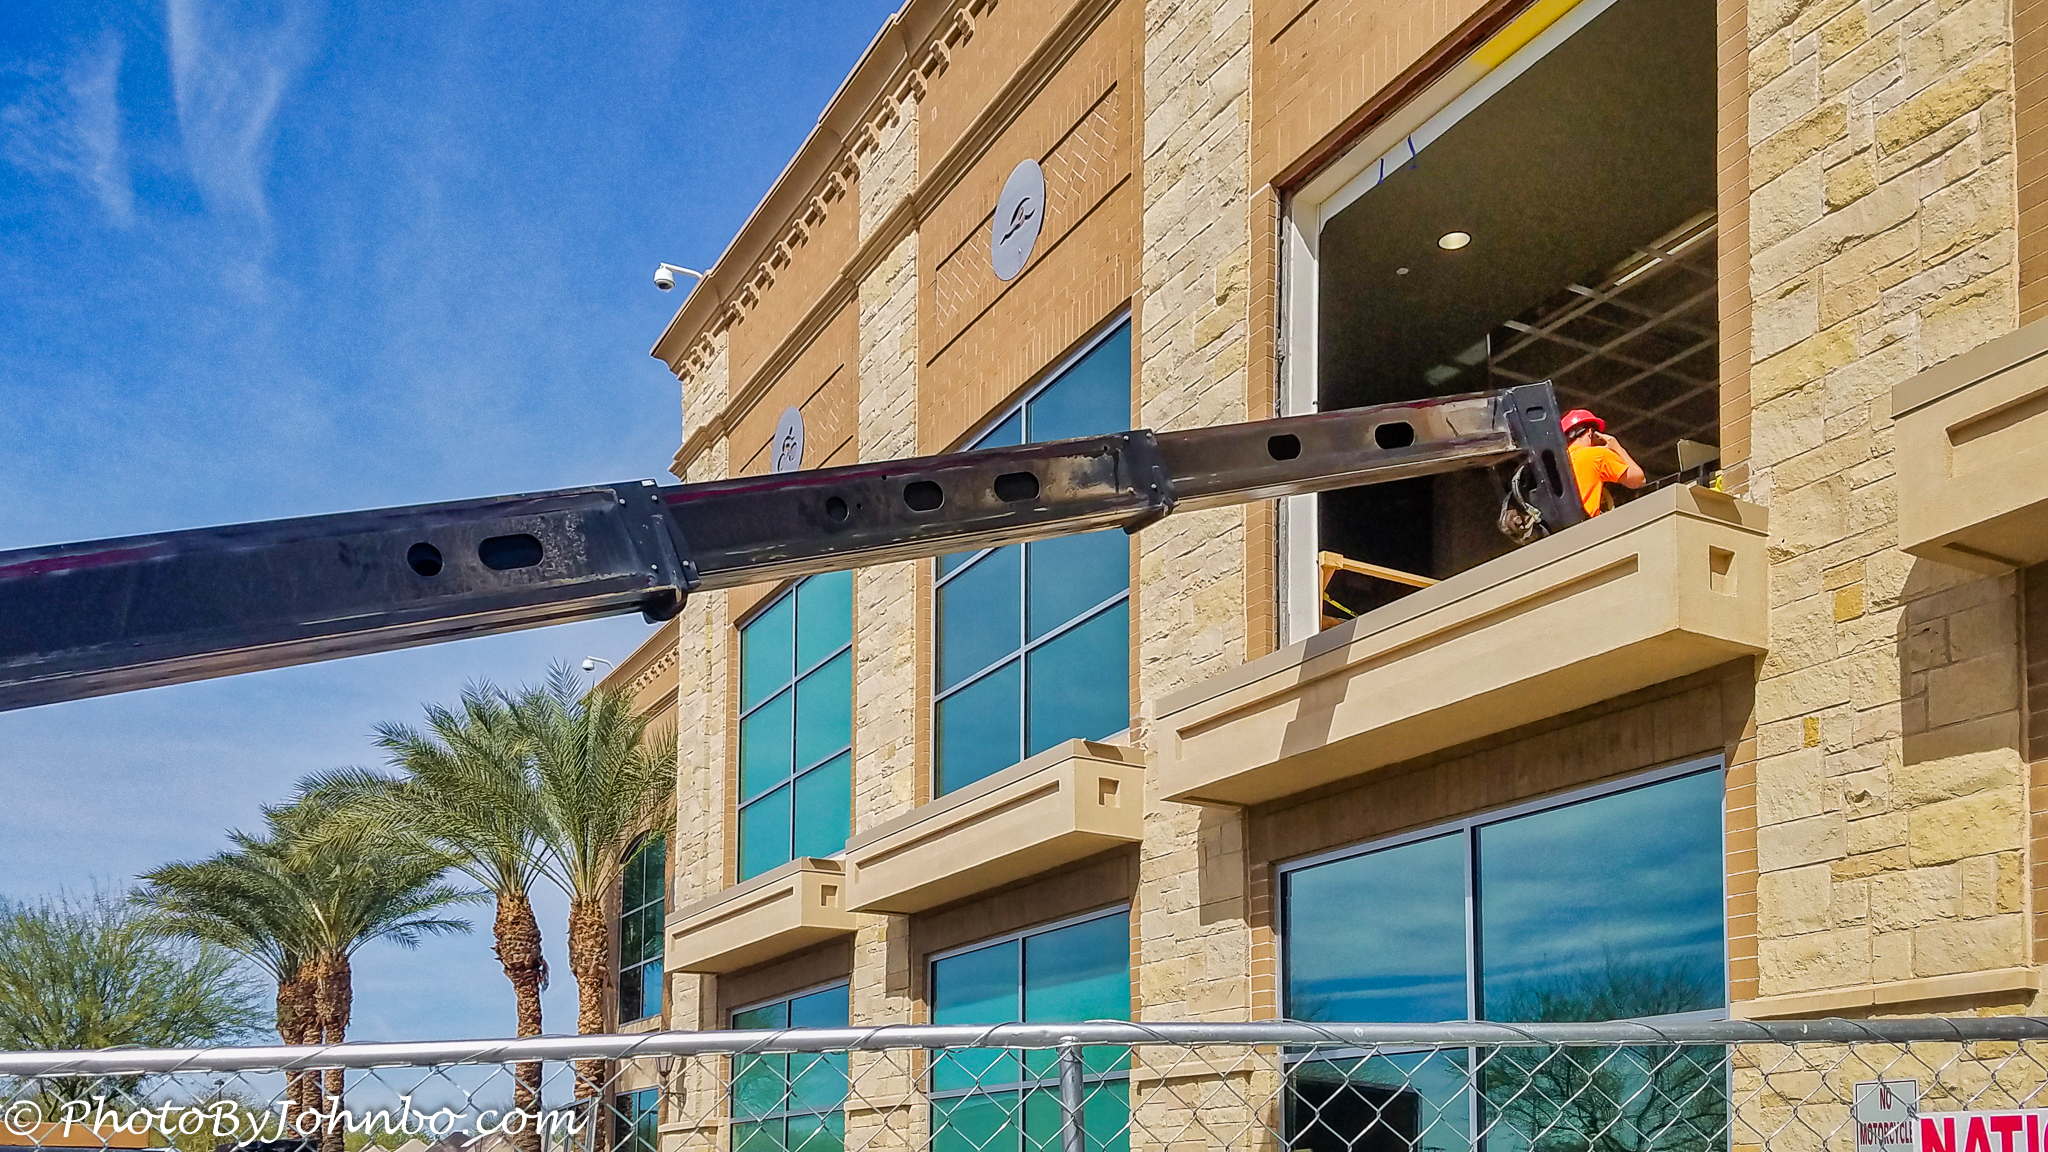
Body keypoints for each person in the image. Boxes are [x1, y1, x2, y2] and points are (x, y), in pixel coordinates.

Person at [1560, 408, 1644, 517]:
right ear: (1590, 432)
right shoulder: (1598, 455)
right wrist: (1617, 448)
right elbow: (1639, 480)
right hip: (1587, 525)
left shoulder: (1558, 464)